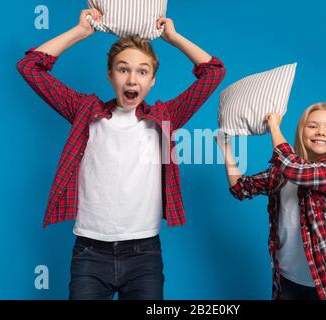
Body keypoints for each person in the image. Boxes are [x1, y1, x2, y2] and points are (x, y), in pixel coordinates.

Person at [17, 8, 226, 300]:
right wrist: (81, 31)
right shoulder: (85, 111)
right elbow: (30, 67)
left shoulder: (164, 117)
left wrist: (174, 38)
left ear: (152, 80)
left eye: (142, 71)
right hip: (90, 252)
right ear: (110, 75)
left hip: (144, 254)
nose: (132, 79)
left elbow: (214, 72)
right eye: (123, 68)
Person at [217, 102, 326, 300]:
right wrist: (226, 149)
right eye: (313, 126)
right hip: (285, 280)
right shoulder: (280, 173)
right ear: (302, 132)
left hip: (322, 283)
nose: (321, 132)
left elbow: (295, 170)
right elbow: (241, 188)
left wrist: (274, 126)